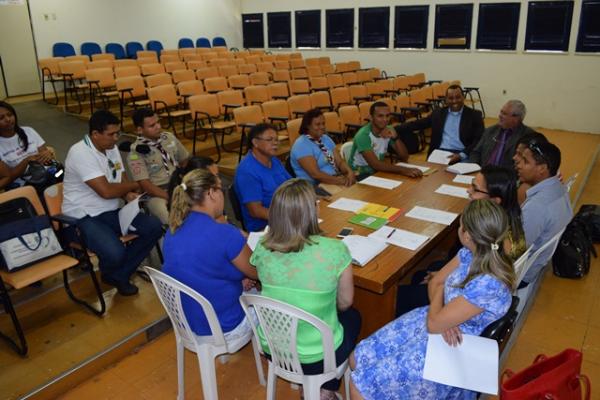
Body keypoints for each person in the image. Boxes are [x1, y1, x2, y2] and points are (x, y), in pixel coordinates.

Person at [350, 200, 515, 400]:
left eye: (460, 225)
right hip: (439, 325)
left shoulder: (489, 283)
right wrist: (443, 313)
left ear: (468, 236)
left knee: (360, 384)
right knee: (357, 357)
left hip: (454, 347)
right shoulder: (471, 253)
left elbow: (435, 314)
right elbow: (434, 282)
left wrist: (441, 307)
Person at [250, 179, 361, 400]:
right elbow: (345, 302)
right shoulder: (336, 250)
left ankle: (310, 388)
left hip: (276, 349)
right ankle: (326, 388)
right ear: (313, 210)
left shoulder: (262, 246)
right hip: (317, 356)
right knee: (353, 317)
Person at [396, 165, 525, 316]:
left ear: (495, 200)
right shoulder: (504, 222)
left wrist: (443, 280)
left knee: (399, 296)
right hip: (469, 283)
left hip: (462, 300)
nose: (468, 190)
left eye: (475, 189)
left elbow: (476, 283)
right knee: (421, 274)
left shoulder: (500, 241)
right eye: (471, 184)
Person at [62, 110, 162, 296]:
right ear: (95, 134)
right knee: (115, 252)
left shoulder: (111, 148)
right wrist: (137, 184)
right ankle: (117, 272)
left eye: (118, 133)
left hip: (111, 211)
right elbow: (106, 191)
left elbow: (120, 177)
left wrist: (128, 194)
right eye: (111, 134)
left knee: (153, 226)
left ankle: (117, 274)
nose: (116, 138)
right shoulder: (80, 153)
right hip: (82, 216)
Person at [163, 169, 258, 343]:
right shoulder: (225, 233)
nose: (223, 195)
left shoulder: (172, 231)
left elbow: (204, 269)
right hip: (225, 326)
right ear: (211, 193)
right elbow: (258, 272)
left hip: (190, 323)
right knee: (274, 295)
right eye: (220, 189)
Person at [515, 139, 572, 286]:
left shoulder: (537, 206)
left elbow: (515, 250)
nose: (518, 165)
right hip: (535, 262)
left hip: (520, 273)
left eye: (525, 161)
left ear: (542, 168)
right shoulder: (558, 187)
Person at [126, 108, 189, 224]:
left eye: (158, 122)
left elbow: (184, 161)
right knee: (167, 215)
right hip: (157, 193)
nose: (158, 127)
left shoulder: (169, 138)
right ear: (140, 130)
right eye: (152, 125)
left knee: (206, 199)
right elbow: (145, 185)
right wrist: (171, 197)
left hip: (179, 184)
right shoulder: (135, 153)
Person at [395, 85, 484, 164]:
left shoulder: (474, 115)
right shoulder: (438, 113)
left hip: (463, 153)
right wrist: (393, 128)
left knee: (461, 180)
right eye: (450, 98)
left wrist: (461, 155)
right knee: (431, 179)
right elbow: (417, 124)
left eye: (458, 97)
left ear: (463, 97)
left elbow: (479, 140)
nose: (454, 101)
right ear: (445, 99)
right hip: (440, 153)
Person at [234, 123, 291, 232]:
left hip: (287, 213)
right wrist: (287, 217)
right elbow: (256, 211)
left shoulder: (273, 160)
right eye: (270, 139)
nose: (275, 143)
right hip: (265, 227)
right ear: (255, 142)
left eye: (276, 139)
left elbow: (291, 183)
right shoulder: (247, 171)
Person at [348, 102, 423, 180]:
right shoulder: (363, 135)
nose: (385, 120)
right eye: (380, 116)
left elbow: (404, 157)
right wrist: (404, 170)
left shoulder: (388, 130)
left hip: (378, 171)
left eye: (387, 116)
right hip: (360, 174)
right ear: (370, 117)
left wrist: (395, 137)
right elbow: (375, 164)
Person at [290, 108, 356, 189]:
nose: (322, 127)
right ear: (307, 126)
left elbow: (340, 162)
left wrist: (349, 172)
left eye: (323, 123)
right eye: (317, 124)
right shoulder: (301, 145)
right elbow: (316, 174)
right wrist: (342, 181)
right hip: (314, 187)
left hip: (334, 180)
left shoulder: (326, 138)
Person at [0, 101, 54, 190]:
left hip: (44, 176)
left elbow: (44, 152)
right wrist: (26, 161)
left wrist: (47, 154)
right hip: (21, 186)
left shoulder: (28, 131)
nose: (8, 119)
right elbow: (8, 178)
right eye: (1, 118)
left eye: (10, 115)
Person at [468, 100, 535, 169]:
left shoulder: (527, 136)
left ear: (516, 118)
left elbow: (525, 165)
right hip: (482, 173)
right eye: (501, 112)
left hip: (506, 177)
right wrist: (473, 169)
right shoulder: (490, 130)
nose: (500, 116)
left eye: (504, 114)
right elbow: (476, 152)